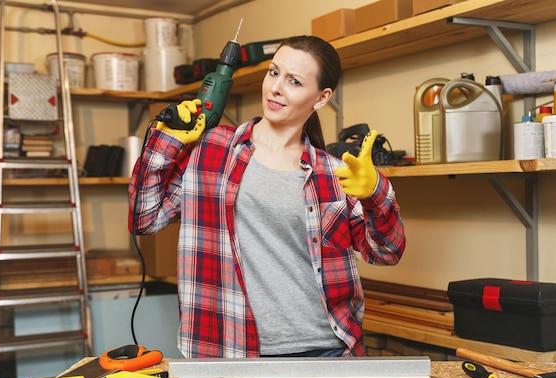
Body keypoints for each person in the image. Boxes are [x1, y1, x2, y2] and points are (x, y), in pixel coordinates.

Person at [128, 35, 406, 358]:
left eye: (294, 81)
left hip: (324, 350)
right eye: (274, 73)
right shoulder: (211, 150)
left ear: (321, 98)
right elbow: (143, 218)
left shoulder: (335, 173)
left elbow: (386, 252)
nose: (276, 88)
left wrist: (376, 193)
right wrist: (167, 141)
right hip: (230, 349)